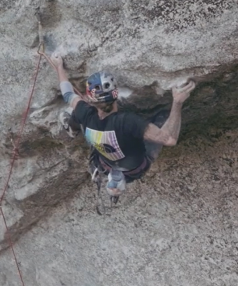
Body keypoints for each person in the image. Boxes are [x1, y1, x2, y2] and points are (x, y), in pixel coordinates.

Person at [45, 53, 196, 196]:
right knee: (163, 116)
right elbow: (169, 139)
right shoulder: (128, 121)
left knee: (74, 114)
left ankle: (72, 127)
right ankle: (116, 176)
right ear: (116, 94)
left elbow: (67, 94)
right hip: (135, 167)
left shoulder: (84, 111)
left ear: (90, 99)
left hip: (105, 163)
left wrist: (59, 67)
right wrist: (177, 102)